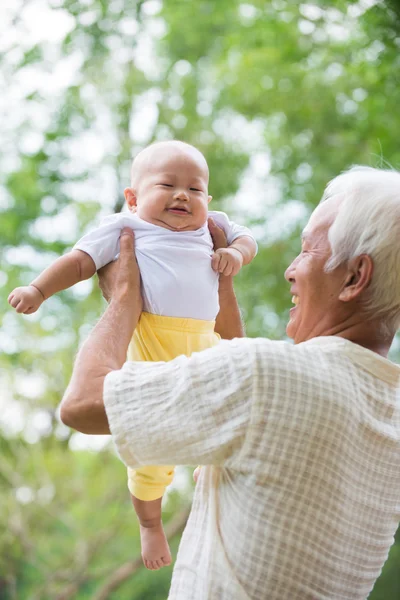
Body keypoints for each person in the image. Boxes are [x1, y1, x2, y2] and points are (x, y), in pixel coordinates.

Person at [59, 165, 400, 599]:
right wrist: (218, 286)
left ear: (354, 278)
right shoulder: (389, 413)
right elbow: (249, 403)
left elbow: (82, 405)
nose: (290, 270)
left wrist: (126, 298)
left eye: (308, 251)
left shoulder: (267, 381)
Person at [7, 140, 258, 570]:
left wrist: (234, 252)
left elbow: (247, 239)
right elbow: (79, 261)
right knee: (151, 452)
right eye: (168, 185)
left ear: (209, 200)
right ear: (133, 197)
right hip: (153, 346)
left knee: (235, 399)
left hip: (206, 340)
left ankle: (213, 461)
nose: (183, 196)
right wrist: (38, 289)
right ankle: (149, 523)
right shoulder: (125, 228)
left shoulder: (211, 227)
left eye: (196, 190)